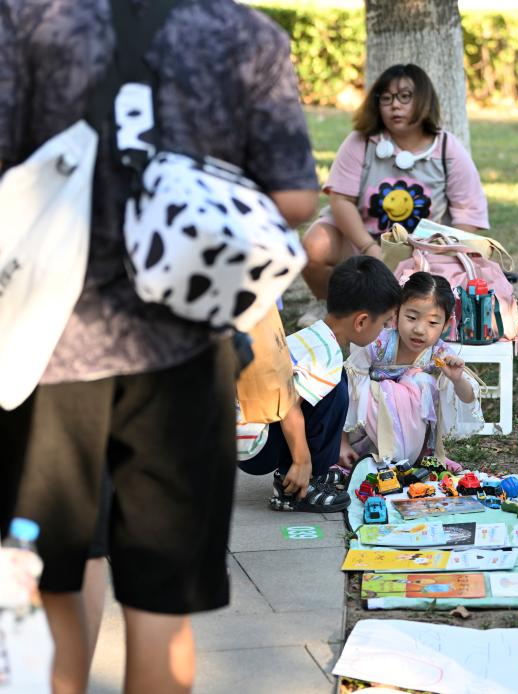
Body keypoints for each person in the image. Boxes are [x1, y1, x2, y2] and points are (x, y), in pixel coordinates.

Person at [0, 1, 319, 691]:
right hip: (185, 351)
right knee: (160, 609)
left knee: (49, 590)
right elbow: (295, 198)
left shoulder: (29, 20)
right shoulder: (244, 34)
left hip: (48, 349)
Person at [301, 63, 490, 301]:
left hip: (427, 248)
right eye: (386, 98)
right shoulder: (361, 142)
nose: (395, 105)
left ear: (424, 100)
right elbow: (341, 200)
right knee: (315, 246)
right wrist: (369, 248)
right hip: (363, 239)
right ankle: (333, 308)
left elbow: (468, 212)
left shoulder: (446, 147)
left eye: (404, 97)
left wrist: (439, 253)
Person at [237, 257, 402, 512]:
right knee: (336, 387)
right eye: (384, 323)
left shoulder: (312, 336)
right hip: (258, 446)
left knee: (336, 382)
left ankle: (307, 472)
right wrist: (302, 461)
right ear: (361, 321)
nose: (385, 330)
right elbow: (288, 404)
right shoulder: (327, 356)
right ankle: (301, 485)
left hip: (246, 434)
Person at [345, 272, 483, 465]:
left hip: (412, 437)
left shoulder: (440, 353)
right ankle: (388, 456)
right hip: (371, 430)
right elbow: (348, 387)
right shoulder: (375, 343)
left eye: (433, 322)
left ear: (446, 325)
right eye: (411, 317)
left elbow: (468, 397)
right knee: (388, 390)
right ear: (396, 313)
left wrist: (457, 379)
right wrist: (342, 443)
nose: (419, 329)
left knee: (423, 382)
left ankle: (417, 455)